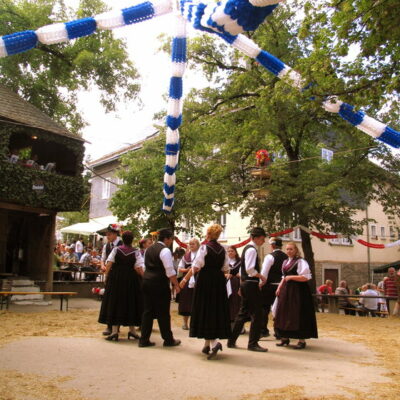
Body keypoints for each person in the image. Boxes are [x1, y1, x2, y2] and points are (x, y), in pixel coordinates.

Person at [184, 224, 231, 360]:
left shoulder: (204, 247)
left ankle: (215, 343)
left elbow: (196, 266)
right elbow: (225, 268)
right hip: (218, 281)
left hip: (205, 281)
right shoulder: (223, 249)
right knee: (214, 310)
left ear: (208, 234)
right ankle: (207, 344)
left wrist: (185, 280)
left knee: (206, 310)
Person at [98, 231, 144, 341]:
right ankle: (132, 331)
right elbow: (138, 268)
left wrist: (106, 277)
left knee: (115, 302)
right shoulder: (136, 252)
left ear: (122, 239)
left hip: (116, 279)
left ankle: (114, 331)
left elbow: (109, 264)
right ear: (132, 240)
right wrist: (144, 277)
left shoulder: (116, 250)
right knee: (130, 302)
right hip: (130, 280)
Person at [139, 228, 181, 348]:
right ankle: (168, 339)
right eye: (171, 239)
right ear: (166, 239)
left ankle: (144, 339)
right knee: (163, 313)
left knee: (147, 311)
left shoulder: (148, 249)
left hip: (147, 281)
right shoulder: (165, 251)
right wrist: (176, 285)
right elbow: (169, 270)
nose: (171, 242)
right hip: (159, 283)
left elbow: (145, 265)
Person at [228, 227, 268, 353]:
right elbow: (250, 269)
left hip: (246, 283)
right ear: (256, 237)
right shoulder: (252, 250)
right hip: (251, 284)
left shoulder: (246, 249)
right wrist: (260, 276)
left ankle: (231, 340)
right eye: (262, 238)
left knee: (243, 312)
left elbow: (242, 270)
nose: (263, 241)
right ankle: (253, 343)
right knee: (257, 314)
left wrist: (241, 285)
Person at [274, 242, 318, 349]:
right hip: (286, 290)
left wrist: (291, 277)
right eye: (287, 249)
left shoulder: (301, 261)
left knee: (297, 314)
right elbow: (284, 277)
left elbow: (306, 277)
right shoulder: (285, 262)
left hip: (298, 291)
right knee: (284, 313)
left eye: (291, 249)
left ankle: (301, 340)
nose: (289, 251)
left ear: (296, 250)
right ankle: (284, 338)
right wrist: (279, 287)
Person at [260, 237, 288, 338]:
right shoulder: (286, 257)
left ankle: (263, 330)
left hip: (269, 286)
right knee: (280, 309)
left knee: (264, 307)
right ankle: (278, 331)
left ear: (272, 245)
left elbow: (264, 272)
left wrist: (260, 284)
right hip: (282, 286)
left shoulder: (270, 257)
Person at [100, 224, 123, 336]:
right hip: (110, 275)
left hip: (120, 275)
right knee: (109, 300)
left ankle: (117, 325)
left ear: (115, 234)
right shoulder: (107, 246)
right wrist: (103, 265)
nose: (107, 236)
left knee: (119, 301)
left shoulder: (122, 244)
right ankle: (109, 325)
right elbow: (103, 258)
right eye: (106, 234)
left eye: (109, 234)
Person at [178, 239, 200, 330]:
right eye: (190, 244)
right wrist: (187, 270)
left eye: (193, 244)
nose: (191, 245)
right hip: (187, 281)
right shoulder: (185, 256)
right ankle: (185, 323)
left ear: (198, 245)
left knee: (197, 301)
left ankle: (195, 324)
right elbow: (180, 268)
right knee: (186, 301)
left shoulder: (200, 255)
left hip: (198, 279)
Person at [226, 246, 242, 330]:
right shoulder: (225, 262)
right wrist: (226, 275)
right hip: (226, 285)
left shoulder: (240, 262)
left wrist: (235, 275)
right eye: (228, 251)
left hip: (236, 285)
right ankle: (229, 324)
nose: (230, 253)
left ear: (235, 252)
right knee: (228, 303)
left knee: (236, 303)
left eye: (232, 251)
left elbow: (243, 273)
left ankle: (239, 326)